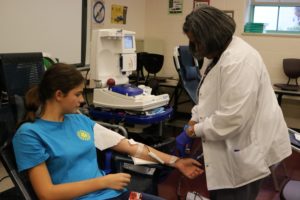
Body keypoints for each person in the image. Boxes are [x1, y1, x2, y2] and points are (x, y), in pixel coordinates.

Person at [12, 63, 203, 200]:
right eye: (77, 94)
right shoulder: (30, 134)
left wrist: (176, 162)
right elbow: (47, 194)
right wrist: (103, 182)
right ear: (59, 95)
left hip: (111, 194)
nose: (81, 100)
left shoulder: (78, 120)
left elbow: (131, 147)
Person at [182, 5, 292, 200]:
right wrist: (194, 118)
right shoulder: (217, 55)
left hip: (247, 152)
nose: (196, 48)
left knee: (234, 193)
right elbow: (207, 96)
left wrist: (195, 130)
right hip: (232, 146)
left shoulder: (239, 61)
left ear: (211, 37)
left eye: (197, 42)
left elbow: (232, 119)